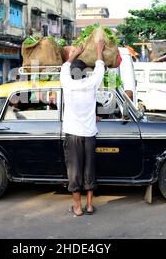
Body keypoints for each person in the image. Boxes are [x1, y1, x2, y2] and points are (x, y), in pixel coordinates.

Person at [60, 39, 106, 216]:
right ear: (86, 73)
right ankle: (88, 206)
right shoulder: (91, 83)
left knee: (75, 171)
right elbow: (100, 66)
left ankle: (77, 208)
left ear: (72, 73)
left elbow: (65, 66)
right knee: (89, 170)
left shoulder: (67, 84)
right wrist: (99, 49)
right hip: (89, 134)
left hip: (73, 135)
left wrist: (74, 54)